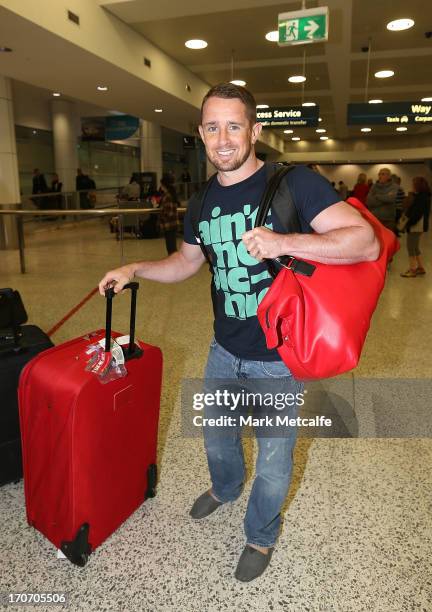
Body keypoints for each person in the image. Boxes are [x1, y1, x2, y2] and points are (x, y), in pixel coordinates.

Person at [98, 82, 379, 582]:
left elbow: (365, 244)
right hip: (223, 350)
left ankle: (261, 535)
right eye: (212, 127)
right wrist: (135, 268)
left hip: (278, 356)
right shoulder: (201, 199)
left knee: (273, 461)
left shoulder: (296, 183)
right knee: (217, 440)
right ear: (201, 133)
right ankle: (226, 488)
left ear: (255, 130)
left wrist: (283, 241)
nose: (223, 138)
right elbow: (186, 263)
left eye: (234, 125)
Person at [400, 176, 431, 277]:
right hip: (419, 225)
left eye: (413, 184)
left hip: (416, 225)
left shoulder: (421, 197)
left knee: (411, 248)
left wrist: (407, 225)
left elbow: (416, 214)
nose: (412, 185)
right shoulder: (422, 196)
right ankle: (420, 267)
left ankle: (412, 270)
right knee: (415, 247)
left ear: (417, 185)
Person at [366, 167, 398, 233]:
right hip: (375, 218)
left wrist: (377, 196)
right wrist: (385, 197)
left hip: (388, 220)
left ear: (389, 176)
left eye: (383, 174)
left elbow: (390, 199)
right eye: (379, 174)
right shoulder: (374, 187)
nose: (380, 176)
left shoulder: (394, 186)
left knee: (388, 241)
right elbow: (369, 202)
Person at [158, 173, 179, 255]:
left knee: (171, 248)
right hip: (172, 224)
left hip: (169, 225)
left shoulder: (167, 196)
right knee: (172, 247)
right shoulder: (171, 194)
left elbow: (168, 213)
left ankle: (175, 265)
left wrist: (161, 217)